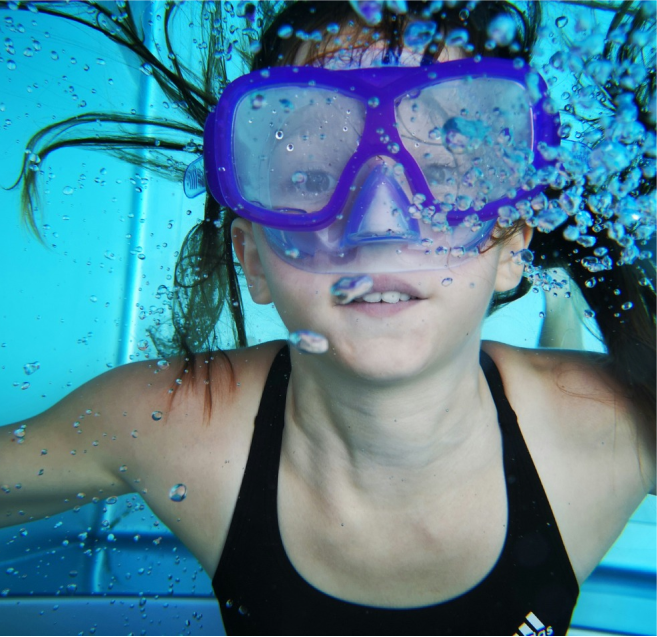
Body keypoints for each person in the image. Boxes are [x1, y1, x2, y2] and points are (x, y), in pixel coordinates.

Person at [2, 0, 657, 635]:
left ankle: (559, 308)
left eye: (438, 171)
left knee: (559, 349)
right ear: (251, 257)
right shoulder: (169, 424)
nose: (378, 224)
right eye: (314, 181)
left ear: (513, 242)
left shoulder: (617, 428)